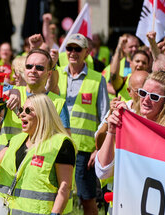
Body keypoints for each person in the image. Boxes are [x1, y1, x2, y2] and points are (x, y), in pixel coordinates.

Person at [0, 94, 76, 214]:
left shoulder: (61, 144)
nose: (22, 114)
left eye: (28, 110)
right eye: (21, 110)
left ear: (43, 114)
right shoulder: (16, 140)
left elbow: (65, 187)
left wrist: (55, 213)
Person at [96, 69, 165, 194]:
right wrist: (111, 132)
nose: (146, 100)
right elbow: (102, 171)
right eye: (143, 93)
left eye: (154, 97)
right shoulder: (127, 122)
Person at [57, 33, 110, 215]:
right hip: (57, 145)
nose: (72, 52)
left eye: (77, 49)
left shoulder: (97, 79)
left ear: (86, 52)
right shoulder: (57, 74)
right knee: (58, 196)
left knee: (87, 199)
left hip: (84, 151)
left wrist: (99, 148)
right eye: (69, 48)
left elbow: (105, 117)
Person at [0, 49, 71, 152]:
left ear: (49, 74)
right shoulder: (11, 91)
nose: (33, 70)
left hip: (37, 164)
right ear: (24, 70)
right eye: (29, 66)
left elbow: (66, 143)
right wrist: (8, 93)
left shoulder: (58, 102)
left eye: (39, 68)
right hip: (6, 162)